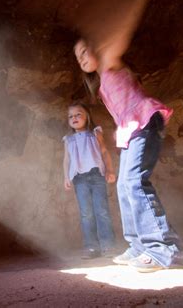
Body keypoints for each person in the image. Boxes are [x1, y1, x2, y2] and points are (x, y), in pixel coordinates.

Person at [73, 31, 183, 271]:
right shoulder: (102, 81)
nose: (80, 59)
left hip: (144, 121)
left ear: (99, 47)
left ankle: (164, 249)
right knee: (124, 186)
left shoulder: (110, 63)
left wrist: (97, 25)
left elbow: (117, 36)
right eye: (77, 56)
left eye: (84, 51)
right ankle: (138, 245)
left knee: (135, 182)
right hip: (131, 129)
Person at [63, 101, 116, 259]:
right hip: (79, 179)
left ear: (87, 117)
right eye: (70, 116)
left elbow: (105, 152)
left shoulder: (95, 133)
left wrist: (110, 170)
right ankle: (91, 247)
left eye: (78, 114)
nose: (74, 118)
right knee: (86, 213)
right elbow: (66, 159)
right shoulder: (68, 139)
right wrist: (66, 176)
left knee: (102, 211)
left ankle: (108, 246)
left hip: (96, 175)